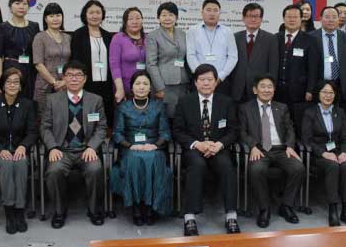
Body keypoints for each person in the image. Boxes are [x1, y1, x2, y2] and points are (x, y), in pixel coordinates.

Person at [173, 64, 240, 236]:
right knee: (197, 165)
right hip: (195, 148)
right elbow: (177, 130)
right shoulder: (185, 101)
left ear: (216, 82)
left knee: (227, 166)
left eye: (210, 80)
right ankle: (190, 217)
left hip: (218, 147)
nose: (206, 83)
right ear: (195, 83)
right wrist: (197, 144)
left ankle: (231, 215)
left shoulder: (226, 102)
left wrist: (219, 144)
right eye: (202, 80)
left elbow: (233, 130)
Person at [42, 60, 107, 228]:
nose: (74, 79)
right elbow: (45, 127)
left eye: (78, 75)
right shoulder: (52, 100)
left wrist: (92, 146)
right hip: (62, 150)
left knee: (95, 169)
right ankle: (59, 211)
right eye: (70, 75)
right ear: (64, 78)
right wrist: (52, 147)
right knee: (54, 170)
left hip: (86, 150)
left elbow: (101, 127)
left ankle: (94, 210)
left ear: (85, 79)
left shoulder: (96, 100)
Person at [238, 74, 304, 228]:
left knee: (298, 168)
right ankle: (264, 208)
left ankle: (286, 206)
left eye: (270, 87)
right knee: (256, 169)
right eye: (263, 86)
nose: (266, 90)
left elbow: (290, 129)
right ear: (255, 90)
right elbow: (241, 131)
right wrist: (252, 145)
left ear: (274, 90)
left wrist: (289, 145)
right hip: (260, 149)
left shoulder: (282, 107)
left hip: (281, 149)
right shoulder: (245, 108)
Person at [111, 71, 173, 225]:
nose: (141, 87)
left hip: (154, 148)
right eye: (138, 83)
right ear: (131, 87)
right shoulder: (123, 107)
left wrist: (154, 145)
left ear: (150, 87)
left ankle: (152, 206)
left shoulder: (158, 106)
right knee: (135, 159)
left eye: (145, 84)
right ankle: (137, 207)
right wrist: (131, 146)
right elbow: (117, 134)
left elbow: (165, 133)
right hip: (130, 148)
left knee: (154, 159)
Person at [0, 68, 38, 234]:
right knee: (7, 163)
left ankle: (19, 211)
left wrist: (23, 146)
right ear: (2, 85)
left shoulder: (28, 105)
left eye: (16, 82)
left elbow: (33, 132)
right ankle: (9, 212)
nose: (12, 85)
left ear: (21, 86)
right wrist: (0, 150)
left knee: (20, 162)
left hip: (20, 152)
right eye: (9, 82)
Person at [301, 80, 346, 227]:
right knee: (333, 166)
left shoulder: (339, 112)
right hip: (317, 153)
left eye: (331, 92)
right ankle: (333, 209)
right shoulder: (310, 112)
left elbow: (345, 138)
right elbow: (306, 140)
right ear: (318, 94)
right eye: (324, 92)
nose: (328, 95)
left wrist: (344, 152)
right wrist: (323, 153)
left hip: (337, 151)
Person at [71, 0, 113, 125]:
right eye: (91, 12)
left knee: (105, 114)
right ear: (85, 15)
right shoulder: (79, 34)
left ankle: (104, 138)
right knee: (89, 113)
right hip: (87, 83)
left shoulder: (108, 36)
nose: (95, 16)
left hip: (106, 83)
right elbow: (75, 60)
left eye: (98, 12)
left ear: (102, 15)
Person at [145, 2, 190, 119]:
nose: (167, 18)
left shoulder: (183, 34)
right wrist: (159, 87)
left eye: (171, 15)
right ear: (158, 18)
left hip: (183, 83)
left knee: (181, 115)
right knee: (167, 116)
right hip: (165, 84)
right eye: (163, 15)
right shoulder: (153, 36)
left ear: (177, 17)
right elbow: (151, 64)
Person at [186, 0, 238, 95]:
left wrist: (220, 76)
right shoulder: (192, 31)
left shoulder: (228, 32)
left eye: (215, 10)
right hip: (199, 81)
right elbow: (191, 55)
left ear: (219, 13)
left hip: (221, 81)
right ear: (202, 12)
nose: (212, 13)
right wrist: (202, 77)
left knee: (221, 108)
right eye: (208, 10)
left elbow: (233, 57)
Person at [0, 0, 40, 99]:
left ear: (28, 7)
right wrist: (0, 80)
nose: (21, 7)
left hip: (30, 71)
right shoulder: (2, 27)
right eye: (17, 3)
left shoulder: (34, 26)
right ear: (10, 7)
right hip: (10, 69)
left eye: (24, 4)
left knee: (28, 102)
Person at [275, 5, 316, 127]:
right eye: (289, 17)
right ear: (283, 18)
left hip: (299, 91)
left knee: (296, 123)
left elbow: (313, 68)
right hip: (277, 90)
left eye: (295, 17)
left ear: (301, 19)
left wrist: (310, 89)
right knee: (278, 122)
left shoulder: (310, 40)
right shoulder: (275, 38)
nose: (292, 20)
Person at [232, 3, 279, 103]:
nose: (253, 19)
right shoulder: (234, 38)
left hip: (260, 90)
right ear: (243, 18)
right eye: (249, 16)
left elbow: (273, 67)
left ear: (261, 19)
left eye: (256, 16)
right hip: (237, 90)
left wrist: (270, 88)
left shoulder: (271, 39)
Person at [310, 7, 346, 105]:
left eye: (334, 17)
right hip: (319, 86)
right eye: (327, 17)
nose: (331, 20)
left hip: (341, 87)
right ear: (320, 19)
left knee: (340, 117)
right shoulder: (310, 37)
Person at [33, 3, 71, 121]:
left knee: (62, 117)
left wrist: (65, 81)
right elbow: (38, 64)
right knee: (44, 118)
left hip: (65, 85)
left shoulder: (68, 37)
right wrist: (54, 82)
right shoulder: (40, 37)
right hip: (45, 85)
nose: (55, 19)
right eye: (51, 16)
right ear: (45, 19)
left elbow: (70, 62)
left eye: (58, 15)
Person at [109, 7, 146, 104]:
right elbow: (114, 66)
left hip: (144, 89)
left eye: (138, 18)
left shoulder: (147, 38)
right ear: (125, 22)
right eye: (131, 19)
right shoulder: (118, 38)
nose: (135, 21)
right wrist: (120, 88)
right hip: (125, 88)